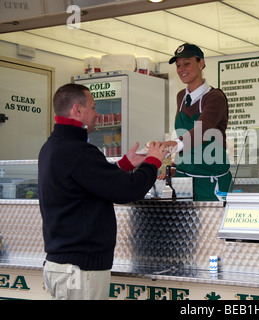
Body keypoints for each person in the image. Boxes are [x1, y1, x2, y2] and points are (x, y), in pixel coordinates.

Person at [38, 83, 167, 300]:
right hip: (81, 270)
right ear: (77, 110)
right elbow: (127, 190)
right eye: (93, 107)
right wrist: (153, 162)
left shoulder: (52, 147)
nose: (97, 114)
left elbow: (90, 182)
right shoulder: (78, 151)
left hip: (62, 266)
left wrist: (126, 164)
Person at [162, 43, 232, 201]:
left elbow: (203, 131)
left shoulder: (215, 97)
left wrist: (174, 144)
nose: (181, 69)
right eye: (178, 65)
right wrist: (176, 166)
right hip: (184, 180)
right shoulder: (181, 97)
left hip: (210, 180)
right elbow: (184, 135)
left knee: (212, 225)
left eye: (187, 63)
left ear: (201, 63)